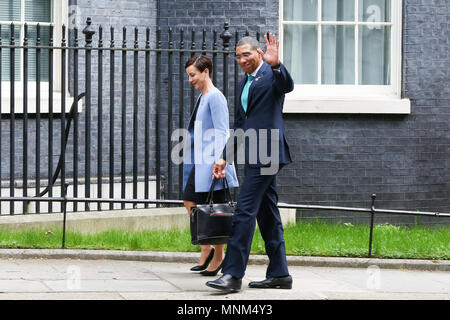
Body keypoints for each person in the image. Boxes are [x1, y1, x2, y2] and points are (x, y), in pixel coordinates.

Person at [206, 34, 294, 292]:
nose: (241, 59)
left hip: (268, 153)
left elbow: (287, 86)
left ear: (258, 53)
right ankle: (280, 274)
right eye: (238, 55)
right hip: (254, 154)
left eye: (247, 54)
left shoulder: (271, 75)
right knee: (268, 214)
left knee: (244, 211)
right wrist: (225, 156)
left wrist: (277, 65)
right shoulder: (245, 82)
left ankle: (232, 274)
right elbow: (241, 125)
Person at [182, 55, 239, 276]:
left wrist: (220, 161)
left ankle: (217, 256)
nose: (190, 80)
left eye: (193, 75)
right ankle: (206, 247)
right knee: (191, 200)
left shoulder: (216, 97)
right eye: (189, 75)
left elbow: (223, 132)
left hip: (213, 163)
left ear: (206, 72)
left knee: (216, 209)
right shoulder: (203, 97)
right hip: (201, 161)